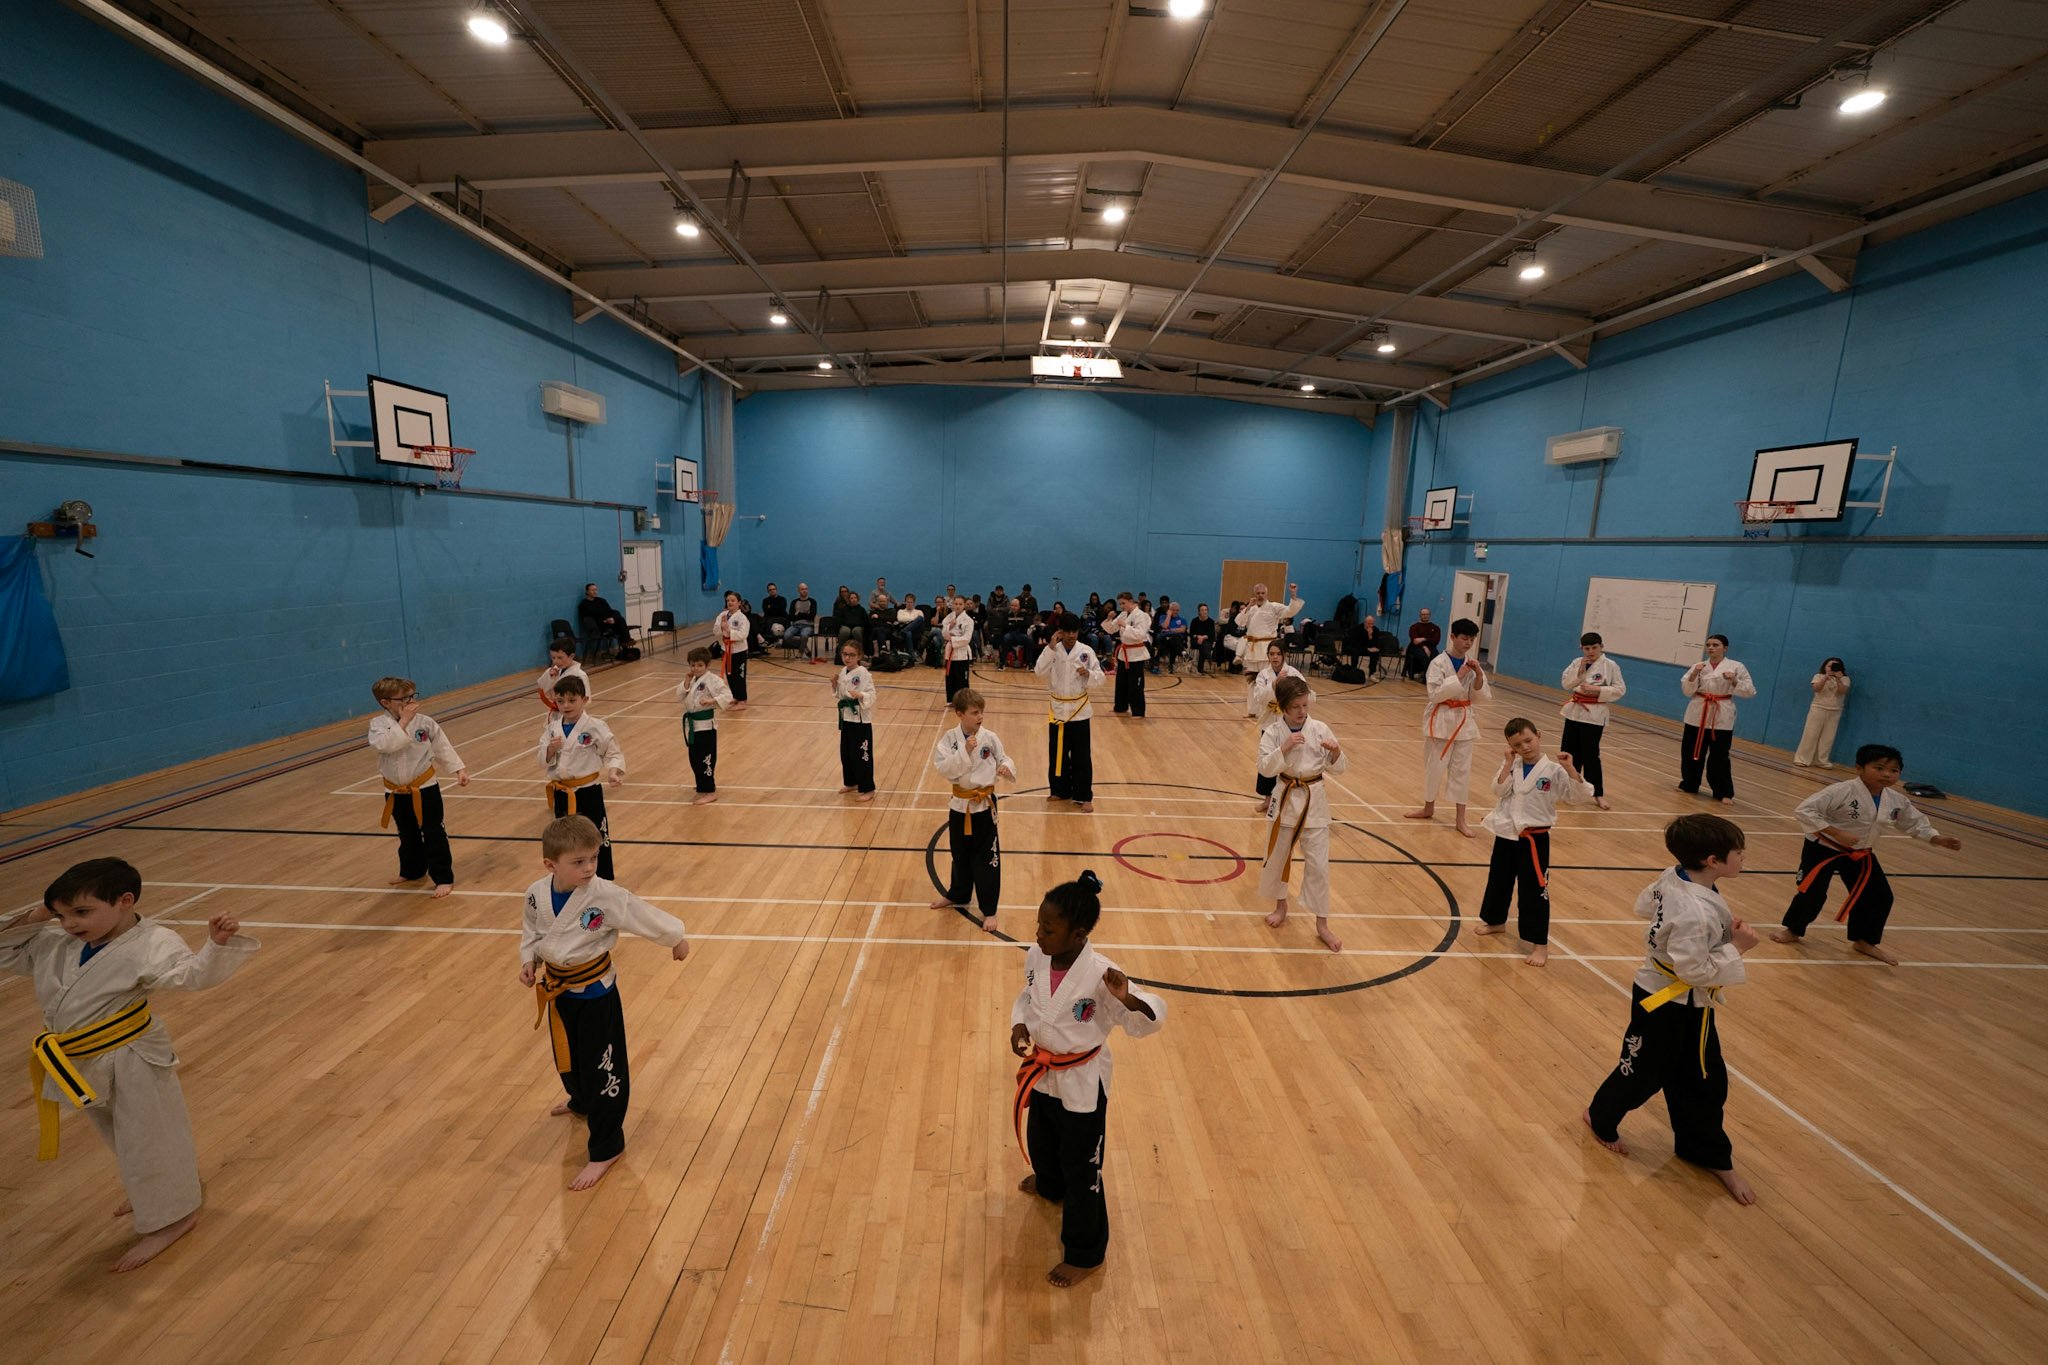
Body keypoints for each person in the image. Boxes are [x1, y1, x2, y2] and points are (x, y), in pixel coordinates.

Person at [2, 857, 257, 1271]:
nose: (70, 924)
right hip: (82, 1057)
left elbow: (190, 977)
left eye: (82, 912)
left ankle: (173, 1216)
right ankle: (155, 1190)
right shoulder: (54, 943)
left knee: (149, 1136)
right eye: (62, 914)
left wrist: (216, 945)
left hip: (133, 1055)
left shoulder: (153, 941)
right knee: (118, 1133)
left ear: (124, 901)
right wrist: (39, 912)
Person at [1584, 814, 1759, 1206]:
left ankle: (1705, 1152)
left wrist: (1718, 933)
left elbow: (1643, 905)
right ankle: (1600, 1117)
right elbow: (1693, 970)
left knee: (1703, 1079)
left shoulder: (1676, 875)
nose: (1743, 856)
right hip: (1669, 1001)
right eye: (1738, 852)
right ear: (1713, 860)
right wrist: (1738, 947)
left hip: (1679, 1000)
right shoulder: (1693, 911)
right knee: (1643, 1072)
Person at [1010, 870, 1166, 1288]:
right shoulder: (1036, 956)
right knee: (1042, 1142)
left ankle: (1086, 1251)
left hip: (1080, 1082)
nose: (1038, 934)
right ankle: (1049, 1184)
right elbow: (1026, 998)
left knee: (1084, 1169)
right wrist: (1019, 1025)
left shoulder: (1102, 974)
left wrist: (1128, 997)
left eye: (1048, 928)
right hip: (1042, 1075)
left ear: (1078, 934)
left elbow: (1144, 1021)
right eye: (1038, 924)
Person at [521, 814, 690, 1191]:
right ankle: (580, 1099)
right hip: (559, 991)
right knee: (567, 1056)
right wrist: (528, 961)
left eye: (593, 858)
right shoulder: (536, 893)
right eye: (578, 862)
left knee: (603, 1068)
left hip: (597, 995)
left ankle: (606, 1146)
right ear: (551, 864)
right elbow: (532, 931)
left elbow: (640, 914)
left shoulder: (604, 895)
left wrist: (675, 937)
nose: (589, 868)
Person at [1769, 743, 1962, 965]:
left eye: (1893, 771)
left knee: (1878, 896)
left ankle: (1864, 940)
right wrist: (1836, 832)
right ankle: (1793, 930)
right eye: (1879, 768)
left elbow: (1913, 823)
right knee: (1812, 893)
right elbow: (1804, 810)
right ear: (1859, 768)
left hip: (1861, 852)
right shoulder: (1841, 791)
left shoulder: (1896, 800)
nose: (1886, 775)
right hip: (1824, 849)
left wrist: (1936, 838)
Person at [1475, 718, 1591, 966]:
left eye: (1528, 740)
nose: (1525, 747)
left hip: (1534, 839)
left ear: (1539, 735)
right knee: (1498, 880)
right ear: (1510, 747)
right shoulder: (1512, 764)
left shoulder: (1554, 770)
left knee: (1535, 892)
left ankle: (1540, 945)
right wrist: (1507, 762)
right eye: (1517, 745)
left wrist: (1571, 768)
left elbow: (1577, 796)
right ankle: (1495, 921)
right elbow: (1498, 790)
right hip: (1506, 834)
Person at [1257, 677, 1347, 953]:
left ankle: (1322, 924)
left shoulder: (1319, 729)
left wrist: (1335, 752)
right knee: (1279, 858)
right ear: (1283, 707)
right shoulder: (1273, 732)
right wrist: (1284, 747)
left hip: (1314, 800)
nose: (1301, 711)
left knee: (1319, 864)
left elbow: (1340, 768)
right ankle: (1281, 906)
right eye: (1295, 706)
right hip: (1285, 798)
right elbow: (1264, 769)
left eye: (1305, 705)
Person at [368, 676, 469, 898]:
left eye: (412, 696)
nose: (410, 701)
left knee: (434, 833)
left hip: (425, 788)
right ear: (386, 703)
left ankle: (443, 877)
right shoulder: (378, 726)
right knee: (407, 834)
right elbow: (387, 746)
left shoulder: (424, 722)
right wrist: (402, 722)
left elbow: (442, 746)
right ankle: (412, 871)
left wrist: (458, 770)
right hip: (395, 791)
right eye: (403, 698)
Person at [929, 687, 1016, 929]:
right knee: (959, 854)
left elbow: (1005, 757)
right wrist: (965, 752)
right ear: (959, 714)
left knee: (988, 858)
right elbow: (944, 769)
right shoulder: (949, 739)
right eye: (975, 712)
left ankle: (989, 910)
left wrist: (1006, 768)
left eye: (982, 712)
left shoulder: (990, 737)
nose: (980, 717)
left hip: (985, 806)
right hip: (960, 805)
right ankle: (958, 893)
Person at [1405, 618, 1490, 837]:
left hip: (1464, 721)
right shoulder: (1438, 663)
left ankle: (1460, 819)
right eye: (1464, 638)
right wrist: (1458, 676)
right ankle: (1428, 807)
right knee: (1434, 767)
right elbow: (1434, 695)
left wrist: (1479, 674)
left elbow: (1479, 697)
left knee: (1462, 771)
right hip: (1441, 719)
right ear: (1452, 637)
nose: (1468, 643)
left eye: (1472, 639)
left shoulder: (1472, 664)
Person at [540, 675, 626, 878]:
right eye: (560, 701)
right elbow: (542, 759)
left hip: (588, 792)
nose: (565, 705)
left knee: (597, 837)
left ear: (584, 700)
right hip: (562, 791)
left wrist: (613, 772)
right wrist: (550, 750)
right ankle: (569, 877)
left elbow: (612, 752)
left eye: (572, 700)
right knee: (563, 839)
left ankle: (603, 879)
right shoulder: (552, 728)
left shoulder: (595, 726)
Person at [1036, 612, 1107, 812]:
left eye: (1074, 631)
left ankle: (1084, 795)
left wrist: (1089, 674)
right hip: (1058, 710)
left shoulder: (1086, 651)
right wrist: (1050, 647)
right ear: (1060, 632)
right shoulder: (1053, 650)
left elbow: (1101, 678)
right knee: (1057, 755)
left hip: (1080, 711)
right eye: (1067, 632)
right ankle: (1060, 790)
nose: (1071, 635)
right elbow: (1039, 671)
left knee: (1081, 756)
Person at [1679, 634, 1755, 803]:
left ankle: (1723, 791)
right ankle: (1690, 783)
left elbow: (1749, 691)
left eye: (1715, 644)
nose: (1711, 647)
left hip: (1721, 714)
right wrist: (1694, 675)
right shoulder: (1699, 666)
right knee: (1691, 751)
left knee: (1719, 755)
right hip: (1697, 711)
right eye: (1708, 644)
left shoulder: (1736, 666)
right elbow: (1686, 690)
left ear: (1725, 648)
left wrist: (1734, 680)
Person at [1559, 631, 1626, 811]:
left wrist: (1597, 691)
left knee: (1590, 755)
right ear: (1582, 648)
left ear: (1601, 646)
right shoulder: (1576, 662)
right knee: (1569, 753)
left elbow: (1620, 690)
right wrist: (1580, 670)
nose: (1590, 652)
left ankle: (1597, 793)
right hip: (1574, 712)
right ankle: (1570, 789)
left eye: (1594, 648)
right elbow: (1566, 684)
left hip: (1594, 715)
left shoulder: (1610, 665)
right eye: (1587, 648)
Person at [1247, 641, 1307, 811]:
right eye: (1271, 654)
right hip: (1269, 723)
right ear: (1268, 656)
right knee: (1268, 759)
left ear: (1284, 655)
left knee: (1290, 762)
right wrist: (1273, 685)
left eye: (1278, 654)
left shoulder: (1293, 673)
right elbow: (1259, 697)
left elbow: (1303, 692)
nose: (1275, 657)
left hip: (1289, 723)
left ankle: (1290, 800)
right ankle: (1268, 799)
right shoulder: (1263, 675)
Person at [676, 646, 735, 804]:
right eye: (693, 665)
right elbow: (679, 696)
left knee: (706, 759)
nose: (696, 668)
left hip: (706, 726)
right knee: (694, 758)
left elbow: (728, 696)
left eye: (700, 665)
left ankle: (709, 790)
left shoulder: (713, 680)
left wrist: (712, 701)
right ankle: (701, 785)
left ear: (707, 665)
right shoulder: (693, 679)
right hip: (693, 726)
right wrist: (686, 682)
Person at [1233, 582, 1304, 692]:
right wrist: (1248, 606)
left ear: (1266, 594)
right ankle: (1253, 708)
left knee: (1267, 678)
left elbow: (1290, 611)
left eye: (1263, 593)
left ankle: (1268, 703)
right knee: (1251, 681)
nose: (1260, 595)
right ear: (1254, 594)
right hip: (1252, 649)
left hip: (1267, 648)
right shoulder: (1251, 609)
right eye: (1258, 593)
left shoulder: (1274, 607)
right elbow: (1239, 622)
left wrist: (1293, 595)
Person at [834, 639, 878, 801]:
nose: (847, 658)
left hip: (860, 720)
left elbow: (872, 696)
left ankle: (868, 788)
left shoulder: (863, 673)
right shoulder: (843, 671)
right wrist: (834, 686)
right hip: (846, 717)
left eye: (851, 655)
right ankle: (851, 782)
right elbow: (840, 695)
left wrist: (861, 695)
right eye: (845, 654)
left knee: (862, 754)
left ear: (859, 656)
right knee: (846, 753)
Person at [1794, 657, 1851, 768]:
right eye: (1829, 666)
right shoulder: (1818, 676)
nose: (1831, 668)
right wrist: (1825, 678)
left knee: (1828, 737)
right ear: (1824, 666)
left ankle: (1821, 760)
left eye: (1835, 666)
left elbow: (1842, 691)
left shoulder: (1845, 679)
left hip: (1835, 711)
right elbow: (1816, 689)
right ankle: (1802, 759)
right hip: (1818, 708)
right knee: (1810, 734)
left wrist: (1838, 679)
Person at [1105, 592, 1152, 718]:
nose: (1121, 606)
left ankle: (1138, 711)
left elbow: (1141, 634)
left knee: (1135, 684)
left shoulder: (1142, 616)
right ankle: (1120, 706)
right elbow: (1111, 629)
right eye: (1120, 603)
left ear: (1131, 601)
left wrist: (1125, 626)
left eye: (1123, 603)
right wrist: (1109, 619)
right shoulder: (1124, 614)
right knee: (1121, 682)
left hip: (1136, 654)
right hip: (1123, 654)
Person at [713, 590, 752, 711]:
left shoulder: (742, 618)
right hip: (726, 649)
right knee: (730, 675)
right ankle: (735, 696)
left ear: (739, 603)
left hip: (739, 650)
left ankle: (742, 700)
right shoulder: (722, 615)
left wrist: (729, 631)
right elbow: (715, 631)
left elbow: (743, 634)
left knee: (739, 675)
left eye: (733, 600)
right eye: (728, 600)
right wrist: (721, 627)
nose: (730, 602)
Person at [537, 637, 592, 713]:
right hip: (555, 713)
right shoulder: (553, 671)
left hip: (573, 714)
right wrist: (550, 677)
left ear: (571, 656)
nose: (556, 661)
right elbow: (542, 689)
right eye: (553, 657)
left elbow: (586, 700)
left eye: (560, 658)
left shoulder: (580, 675)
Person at [576, 583, 627, 660]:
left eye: (596, 590)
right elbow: (589, 620)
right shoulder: (584, 605)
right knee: (620, 627)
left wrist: (612, 618)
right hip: (598, 626)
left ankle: (626, 644)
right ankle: (625, 645)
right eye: (592, 590)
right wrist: (604, 621)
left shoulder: (601, 601)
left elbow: (610, 611)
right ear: (587, 591)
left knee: (620, 620)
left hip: (609, 623)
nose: (595, 592)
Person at [941, 594, 975, 699]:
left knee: (961, 679)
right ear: (953, 605)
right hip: (950, 652)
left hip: (962, 654)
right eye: (956, 604)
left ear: (964, 605)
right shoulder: (949, 617)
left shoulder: (968, 620)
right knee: (950, 678)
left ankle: (963, 701)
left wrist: (952, 638)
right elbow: (944, 633)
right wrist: (949, 627)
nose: (958, 606)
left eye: (960, 604)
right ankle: (951, 700)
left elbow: (966, 639)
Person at [1403, 608, 1440, 681]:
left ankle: (1432, 677)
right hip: (1416, 647)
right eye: (1423, 614)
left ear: (1430, 615)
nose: (1425, 616)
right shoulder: (1414, 627)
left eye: (1427, 614)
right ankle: (1425, 677)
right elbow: (1415, 641)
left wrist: (1423, 639)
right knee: (1424, 657)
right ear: (1420, 615)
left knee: (1436, 657)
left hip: (1432, 647)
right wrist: (1424, 647)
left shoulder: (1435, 628)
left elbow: (1435, 640)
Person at [786, 582, 819, 655]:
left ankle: (800, 652)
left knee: (804, 636)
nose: (804, 591)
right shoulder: (794, 602)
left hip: (808, 625)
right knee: (786, 636)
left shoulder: (813, 602)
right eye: (802, 589)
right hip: (795, 625)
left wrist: (798, 614)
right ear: (798, 590)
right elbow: (791, 617)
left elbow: (811, 616)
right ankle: (804, 647)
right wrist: (805, 614)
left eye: (806, 589)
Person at [1155, 601, 1187, 673]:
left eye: (1177, 610)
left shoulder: (1182, 619)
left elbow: (1182, 630)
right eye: (1173, 610)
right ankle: (1183, 653)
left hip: (1176, 640)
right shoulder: (1163, 617)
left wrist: (1169, 630)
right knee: (1175, 639)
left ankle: (1171, 665)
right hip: (1165, 640)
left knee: (1175, 640)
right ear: (1169, 610)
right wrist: (1168, 615)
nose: (1175, 611)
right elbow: (1165, 626)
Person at [1188, 603, 1218, 674]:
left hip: (1206, 641)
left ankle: (1200, 669)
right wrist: (1199, 637)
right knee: (1204, 646)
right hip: (1196, 640)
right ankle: (1209, 658)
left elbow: (1211, 635)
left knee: (1203, 646)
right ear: (1199, 611)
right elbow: (1191, 633)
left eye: (1206, 610)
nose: (1204, 611)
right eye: (1202, 610)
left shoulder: (1210, 621)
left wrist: (1203, 637)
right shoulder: (1194, 621)